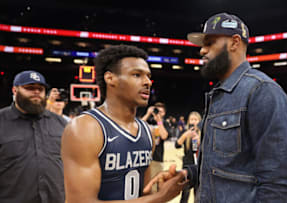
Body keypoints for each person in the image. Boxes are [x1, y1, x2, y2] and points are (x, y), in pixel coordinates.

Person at [185, 12, 287, 202]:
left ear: (235, 43)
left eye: (209, 43)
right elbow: (226, 166)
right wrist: (189, 175)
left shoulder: (262, 91)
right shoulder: (218, 94)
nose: (202, 50)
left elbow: (277, 184)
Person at [61, 45, 186, 202]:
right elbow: (80, 201)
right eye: (136, 75)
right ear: (110, 78)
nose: (147, 82)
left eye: (148, 76)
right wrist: (160, 197)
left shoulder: (146, 131)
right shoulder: (85, 128)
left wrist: (160, 188)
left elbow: (144, 194)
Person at [0, 70, 67, 203]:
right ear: (15, 90)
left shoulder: (60, 123)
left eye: (40, 89)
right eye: (29, 88)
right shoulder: (2, 120)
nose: (36, 92)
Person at [175, 111, 201, 203]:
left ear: (199, 121)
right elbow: (177, 145)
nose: (193, 121)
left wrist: (199, 140)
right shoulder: (185, 132)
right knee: (185, 194)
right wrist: (185, 135)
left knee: (198, 194)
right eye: (191, 119)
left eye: (195, 119)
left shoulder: (203, 133)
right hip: (187, 167)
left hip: (199, 167)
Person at [141, 102, 170, 185]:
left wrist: (159, 121)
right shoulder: (148, 121)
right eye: (156, 111)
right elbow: (138, 126)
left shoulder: (164, 123)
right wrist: (148, 113)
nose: (158, 113)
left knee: (155, 186)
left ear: (164, 113)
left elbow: (164, 136)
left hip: (157, 159)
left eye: (160, 112)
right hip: (144, 158)